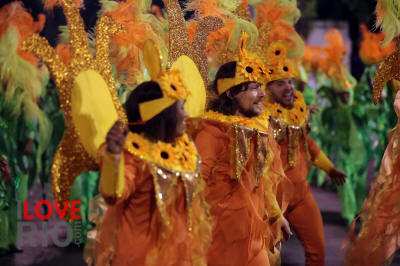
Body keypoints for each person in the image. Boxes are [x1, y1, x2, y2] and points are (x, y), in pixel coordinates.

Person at [187, 40, 291, 265]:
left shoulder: (259, 130)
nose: (263, 94)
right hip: (221, 241)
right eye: (254, 87)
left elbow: (261, 180)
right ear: (231, 93)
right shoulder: (212, 132)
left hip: (254, 236)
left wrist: (276, 214)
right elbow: (193, 187)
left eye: (261, 87)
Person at [93, 71, 211, 265]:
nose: (186, 115)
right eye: (181, 108)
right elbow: (113, 194)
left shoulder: (183, 146)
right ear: (164, 115)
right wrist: (113, 157)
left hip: (180, 255)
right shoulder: (135, 154)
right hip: (141, 257)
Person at [263, 47, 347, 265]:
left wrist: (329, 168)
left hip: (301, 197)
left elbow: (308, 145)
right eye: (280, 83)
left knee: (317, 252)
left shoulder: (299, 110)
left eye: (290, 81)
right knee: (268, 258)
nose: (289, 87)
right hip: (270, 201)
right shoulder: (260, 119)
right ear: (267, 89)